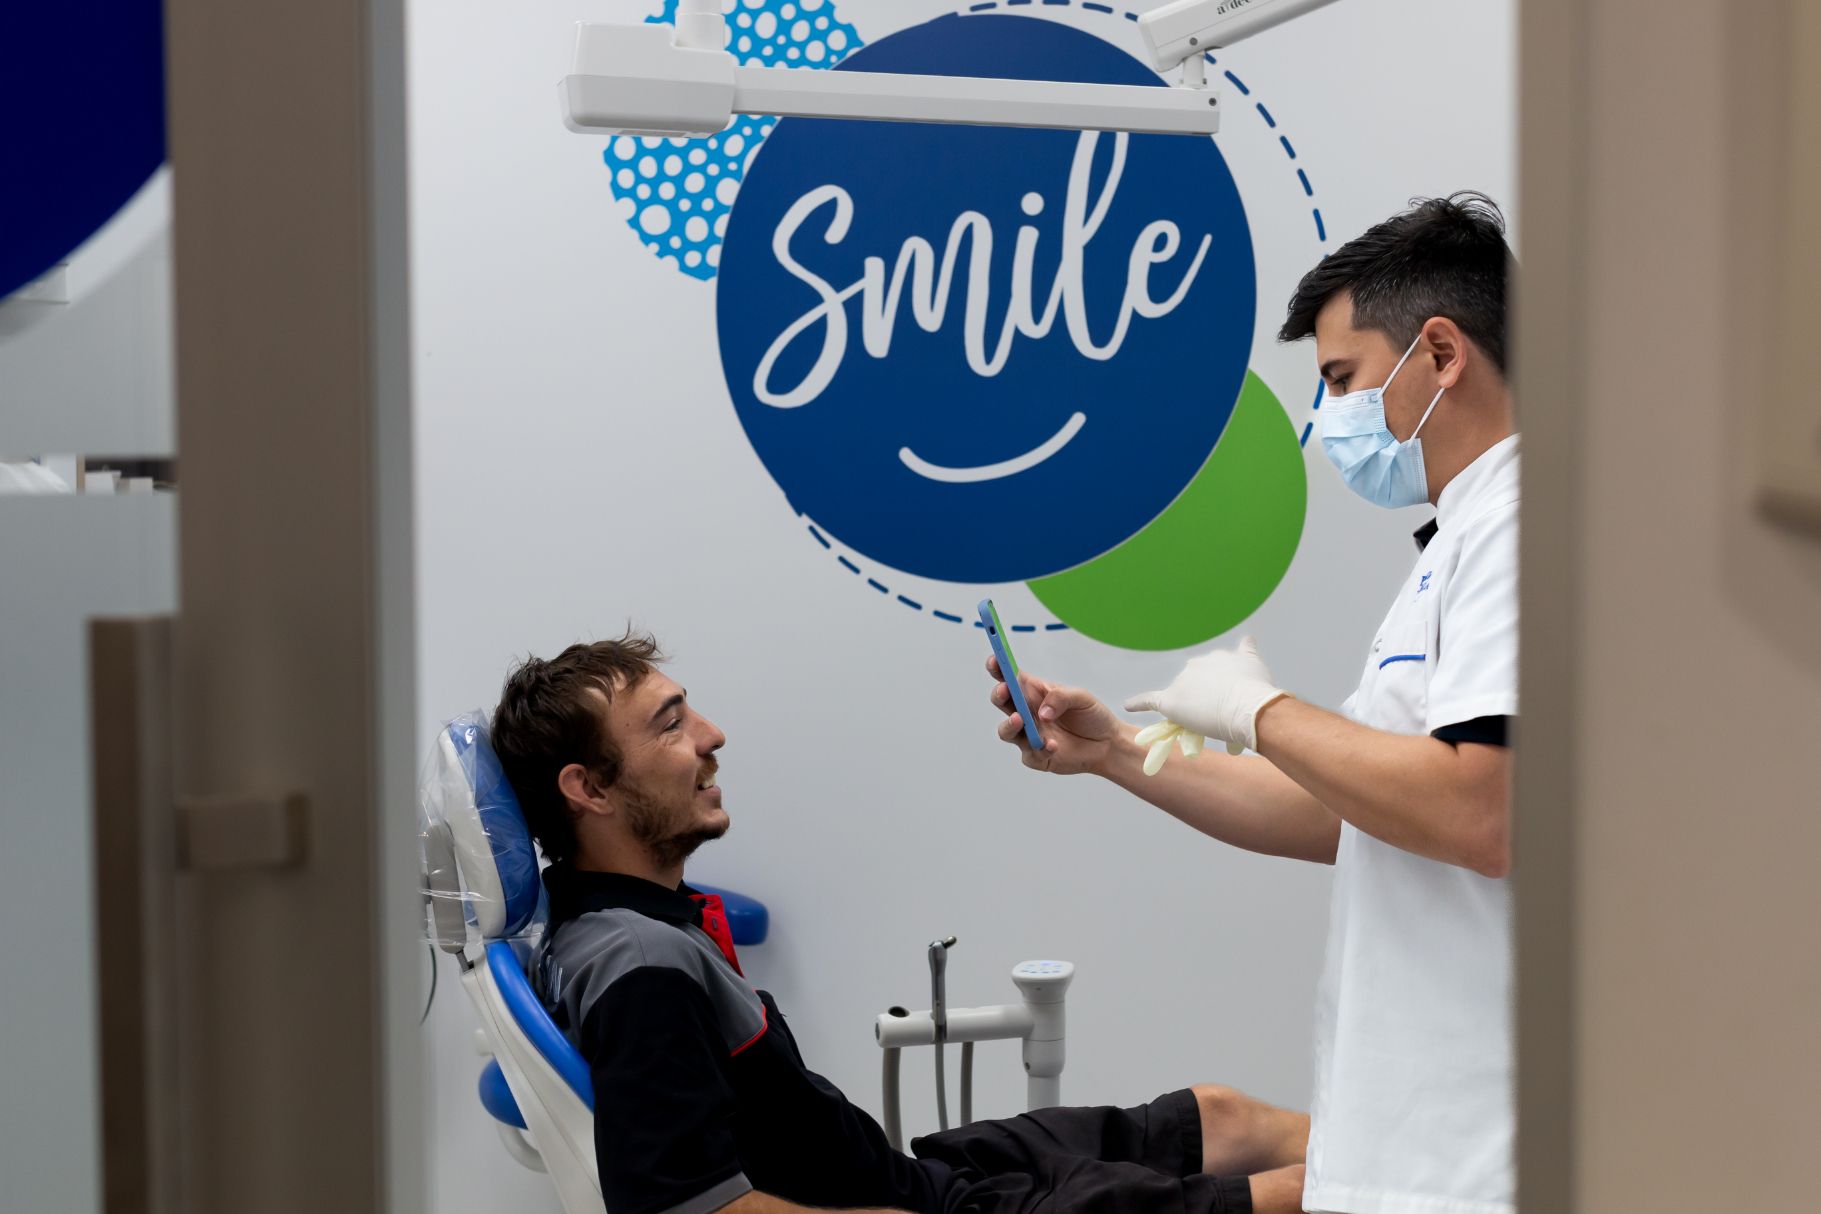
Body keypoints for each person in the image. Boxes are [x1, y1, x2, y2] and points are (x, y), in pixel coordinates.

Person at [989, 194, 1519, 1214]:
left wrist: (1261, 708)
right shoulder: (1456, 544)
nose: (1330, 423)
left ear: (1441, 352)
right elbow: (1345, 814)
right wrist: (1117, 752)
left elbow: (1481, 812)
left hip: (1477, 1157)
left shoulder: (1523, 526)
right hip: (1402, 1142)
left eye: (1342, 379)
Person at [490, 633, 1311, 1214]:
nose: (712, 736)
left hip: (920, 1177)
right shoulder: (639, 967)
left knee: (1219, 1113)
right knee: (1287, 1197)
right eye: (669, 723)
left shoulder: (610, 920)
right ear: (587, 791)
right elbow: (683, 1206)